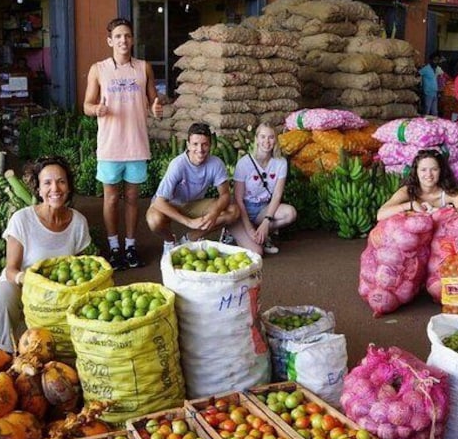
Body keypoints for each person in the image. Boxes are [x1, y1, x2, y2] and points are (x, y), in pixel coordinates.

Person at [0, 156, 92, 353]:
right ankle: (6, 354)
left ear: (69, 187)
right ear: (38, 188)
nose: (55, 188)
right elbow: (11, 270)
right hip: (25, 288)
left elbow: (82, 267)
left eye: (61, 181)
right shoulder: (22, 219)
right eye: (47, 183)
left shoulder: (78, 222)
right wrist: (28, 280)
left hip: (60, 294)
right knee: (3, 294)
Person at [83, 18, 163, 270]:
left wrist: (157, 106)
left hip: (136, 145)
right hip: (109, 146)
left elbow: (153, 100)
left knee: (131, 198)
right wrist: (97, 108)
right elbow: (86, 105)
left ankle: (130, 246)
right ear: (110, 41)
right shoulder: (99, 69)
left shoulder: (143, 68)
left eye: (127, 36)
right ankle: (113, 247)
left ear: (132, 39)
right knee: (110, 198)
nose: (123, 40)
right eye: (118, 36)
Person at [147, 122, 240, 254]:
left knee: (233, 211)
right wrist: (189, 222)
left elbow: (224, 195)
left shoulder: (216, 164)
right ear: (188, 145)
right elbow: (159, 201)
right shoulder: (178, 165)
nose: (200, 149)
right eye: (195, 144)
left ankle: (190, 238)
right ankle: (169, 241)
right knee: (154, 221)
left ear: (210, 145)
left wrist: (214, 214)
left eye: (204, 144)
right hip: (170, 204)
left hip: (193, 204)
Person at [226, 124, 297, 256]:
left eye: (271, 137)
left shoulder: (280, 163)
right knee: (257, 252)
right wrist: (248, 228)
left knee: (290, 213)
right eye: (263, 137)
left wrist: (266, 222)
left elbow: (277, 195)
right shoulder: (244, 163)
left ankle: (263, 234)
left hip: (263, 209)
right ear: (257, 139)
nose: (267, 141)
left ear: (275, 140)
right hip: (242, 210)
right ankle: (236, 234)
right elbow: (238, 199)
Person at [376, 150, 458, 221]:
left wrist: (444, 212)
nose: (429, 174)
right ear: (416, 172)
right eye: (423, 170)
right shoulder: (408, 191)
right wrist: (410, 205)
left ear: (441, 171)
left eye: (434, 169)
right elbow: (381, 215)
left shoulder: (447, 192)